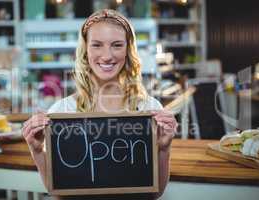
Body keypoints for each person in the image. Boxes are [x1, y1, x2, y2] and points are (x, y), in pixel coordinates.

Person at [22, 9, 177, 200]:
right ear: (85, 50)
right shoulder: (62, 112)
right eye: (97, 45)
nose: (107, 56)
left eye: (117, 45)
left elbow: (155, 193)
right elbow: (59, 194)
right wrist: (37, 152)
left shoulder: (149, 109)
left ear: (128, 50)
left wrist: (163, 149)